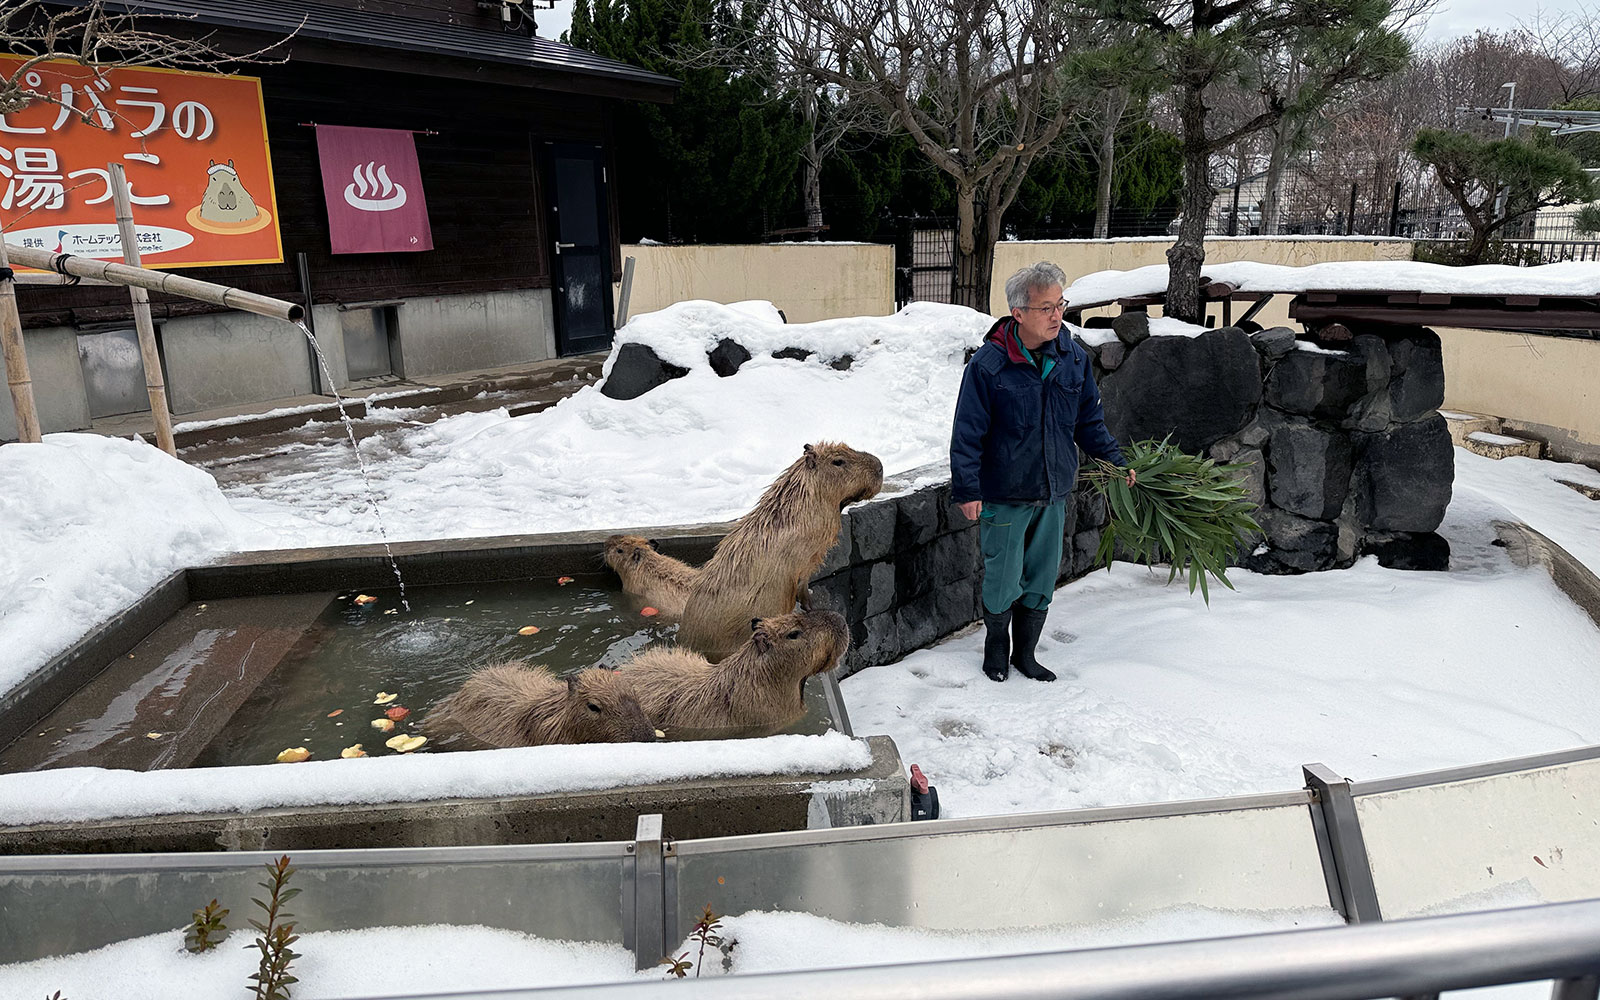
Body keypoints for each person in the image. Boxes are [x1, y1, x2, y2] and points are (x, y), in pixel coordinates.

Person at [949, 261, 1132, 683]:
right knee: (1002, 577)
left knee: (1041, 578)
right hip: (1004, 493)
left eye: (1060, 305)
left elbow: (1088, 421)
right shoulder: (988, 366)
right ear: (1018, 314)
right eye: (1046, 307)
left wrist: (1116, 463)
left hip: (1052, 491)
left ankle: (1025, 654)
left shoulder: (1072, 358)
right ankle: (997, 648)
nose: (1056, 315)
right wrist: (968, 490)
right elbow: (967, 432)